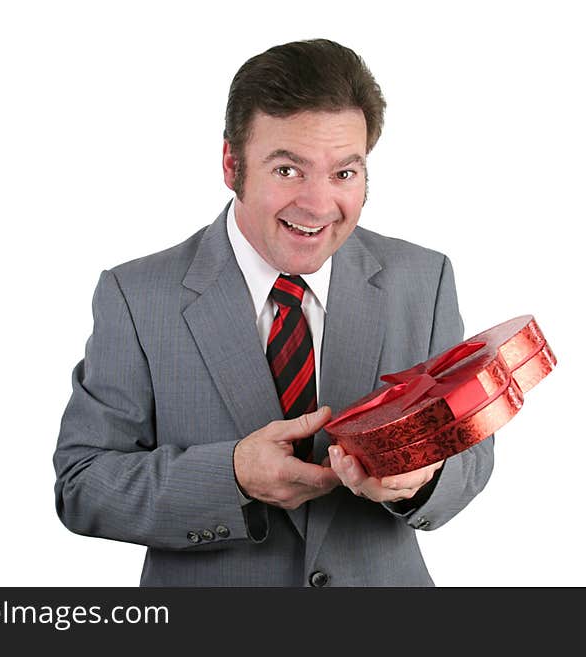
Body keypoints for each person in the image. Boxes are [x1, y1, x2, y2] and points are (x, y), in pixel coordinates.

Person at [53, 38, 494, 587]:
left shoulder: (423, 279)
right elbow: (82, 485)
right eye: (288, 170)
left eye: (344, 174)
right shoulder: (137, 295)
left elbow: (471, 456)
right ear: (232, 164)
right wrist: (232, 476)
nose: (316, 205)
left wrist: (421, 477)